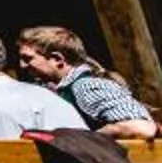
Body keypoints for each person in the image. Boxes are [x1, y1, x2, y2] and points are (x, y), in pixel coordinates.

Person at [13, 27, 157, 141]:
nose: (22, 66)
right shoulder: (53, 89)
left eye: (28, 59)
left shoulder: (87, 86)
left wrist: (85, 142)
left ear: (57, 59)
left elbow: (142, 128)